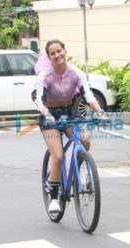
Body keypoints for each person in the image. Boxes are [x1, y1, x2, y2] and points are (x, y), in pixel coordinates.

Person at [32, 39, 105, 213]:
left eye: (59, 51)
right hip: (49, 117)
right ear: (49, 57)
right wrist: (47, 115)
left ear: (65, 51)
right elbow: (38, 99)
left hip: (69, 114)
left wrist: (100, 111)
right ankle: (55, 197)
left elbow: (89, 96)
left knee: (85, 141)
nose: (57, 55)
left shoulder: (76, 73)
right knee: (57, 157)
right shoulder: (45, 75)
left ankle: (81, 173)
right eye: (53, 53)